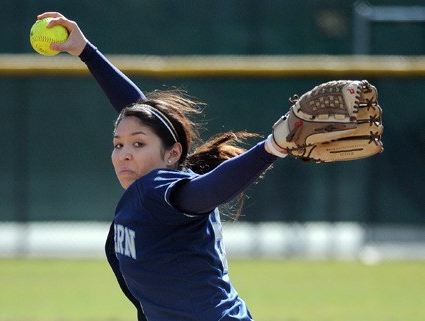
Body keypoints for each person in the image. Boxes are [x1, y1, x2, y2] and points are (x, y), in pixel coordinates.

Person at [37, 12, 288, 321]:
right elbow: (144, 117)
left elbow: (206, 192)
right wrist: (85, 51)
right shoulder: (170, 176)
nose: (124, 154)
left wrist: (272, 148)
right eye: (118, 144)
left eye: (138, 144)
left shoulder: (157, 189)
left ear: (173, 153)